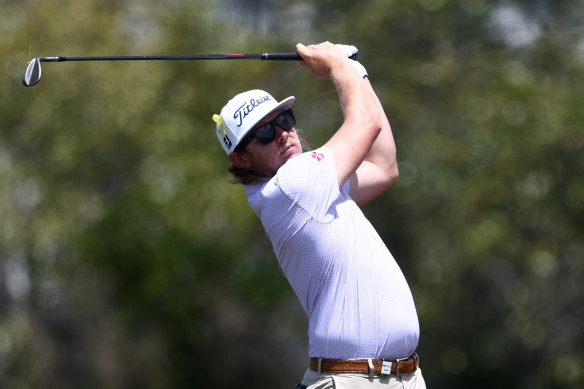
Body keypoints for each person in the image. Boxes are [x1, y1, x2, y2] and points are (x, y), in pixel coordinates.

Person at [212, 42, 426, 389]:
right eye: (265, 133)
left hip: (403, 378)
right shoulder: (293, 186)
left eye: (284, 120)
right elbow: (366, 122)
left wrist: (357, 71)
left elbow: (384, 166)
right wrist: (338, 65)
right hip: (350, 380)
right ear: (242, 159)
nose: (282, 133)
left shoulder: (315, 187)